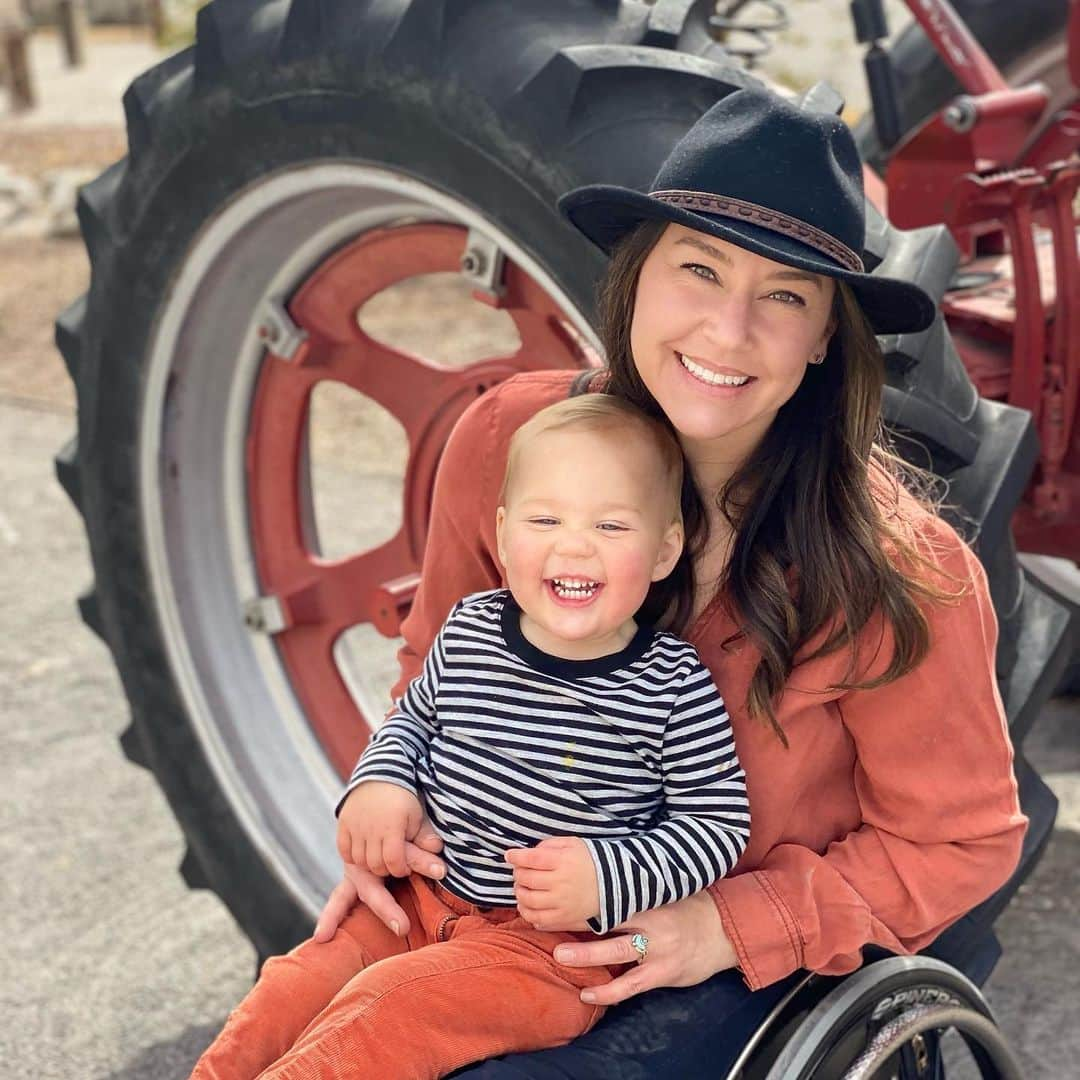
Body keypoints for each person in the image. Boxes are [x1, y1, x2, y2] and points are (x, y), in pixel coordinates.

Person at [308, 85, 1028, 1078]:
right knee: (291, 1032)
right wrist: (387, 801)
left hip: (720, 965)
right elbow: (439, 669)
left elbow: (961, 844)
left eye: (784, 295)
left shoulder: (900, 572)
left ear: (824, 337)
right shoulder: (504, 444)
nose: (729, 331)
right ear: (636, 277)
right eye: (699, 269)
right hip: (490, 903)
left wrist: (730, 925)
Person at [192, 394, 751, 1078]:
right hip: (420, 902)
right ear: (504, 531)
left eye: (610, 525)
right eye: (545, 519)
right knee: (288, 990)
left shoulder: (670, 685)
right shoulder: (472, 630)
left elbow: (717, 824)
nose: (573, 544)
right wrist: (380, 782)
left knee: (379, 1015)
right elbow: (414, 721)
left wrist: (606, 876)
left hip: (546, 954)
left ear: (664, 551)